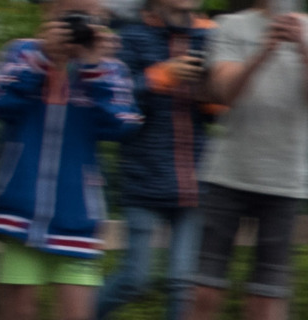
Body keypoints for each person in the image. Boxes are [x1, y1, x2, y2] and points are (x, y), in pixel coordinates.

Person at [0, 5, 140, 318]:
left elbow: (122, 125)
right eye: (68, 15)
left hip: (77, 217)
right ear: (47, 15)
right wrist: (43, 61)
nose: (76, 25)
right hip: (19, 213)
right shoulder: (21, 53)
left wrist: (94, 70)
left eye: (87, 17)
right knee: (18, 311)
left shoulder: (110, 69)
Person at [197, 0, 308, 317]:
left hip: (286, 178)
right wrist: (265, 49)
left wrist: (303, 47)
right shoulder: (229, 25)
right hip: (228, 172)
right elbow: (225, 92)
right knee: (204, 288)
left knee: (268, 292)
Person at [93, 0, 214, 316]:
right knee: (136, 278)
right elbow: (113, 95)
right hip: (143, 176)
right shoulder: (131, 36)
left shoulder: (208, 37)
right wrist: (160, 76)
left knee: (182, 283)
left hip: (194, 180)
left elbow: (219, 108)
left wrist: (213, 95)